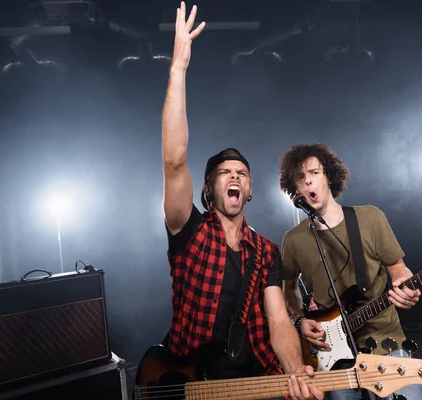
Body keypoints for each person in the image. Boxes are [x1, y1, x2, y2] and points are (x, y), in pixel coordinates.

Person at [161, 3, 323, 399]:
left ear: (249, 189)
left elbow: (278, 321)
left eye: (242, 173)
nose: (234, 175)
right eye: (224, 172)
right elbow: (174, 159)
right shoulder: (190, 230)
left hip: (256, 379)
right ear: (208, 189)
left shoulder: (265, 252)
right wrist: (178, 69)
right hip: (195, 384)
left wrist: (293, 370)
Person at [278, 143, 422, 400]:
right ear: (296, 190)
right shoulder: (293, 240)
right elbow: (289, 290)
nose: (308, 182)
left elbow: (399, 270)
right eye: (301, 178)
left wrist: (406, 288)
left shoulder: (370, 218)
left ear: (329, 176)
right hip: (330, 351)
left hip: (383, 339)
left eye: (314, 173)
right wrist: (300, 320)